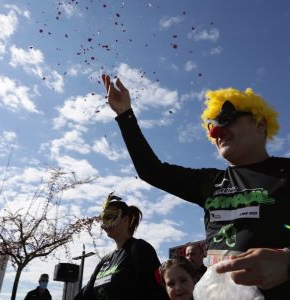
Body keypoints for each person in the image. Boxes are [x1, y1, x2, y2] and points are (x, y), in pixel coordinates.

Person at [102, 74, 290, 299]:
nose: (217, 131)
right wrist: (125, 114)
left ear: (260, 124)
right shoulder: (211, 182)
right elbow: (151, 170)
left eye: (228, 117)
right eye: (213, 124)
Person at [74, 192, 169, 300]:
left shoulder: (140, 248)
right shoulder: (104, 261)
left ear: (126, 219)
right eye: (103, 218)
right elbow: (86, 295)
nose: (104, 224)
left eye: (110, 217)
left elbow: (157, 291)